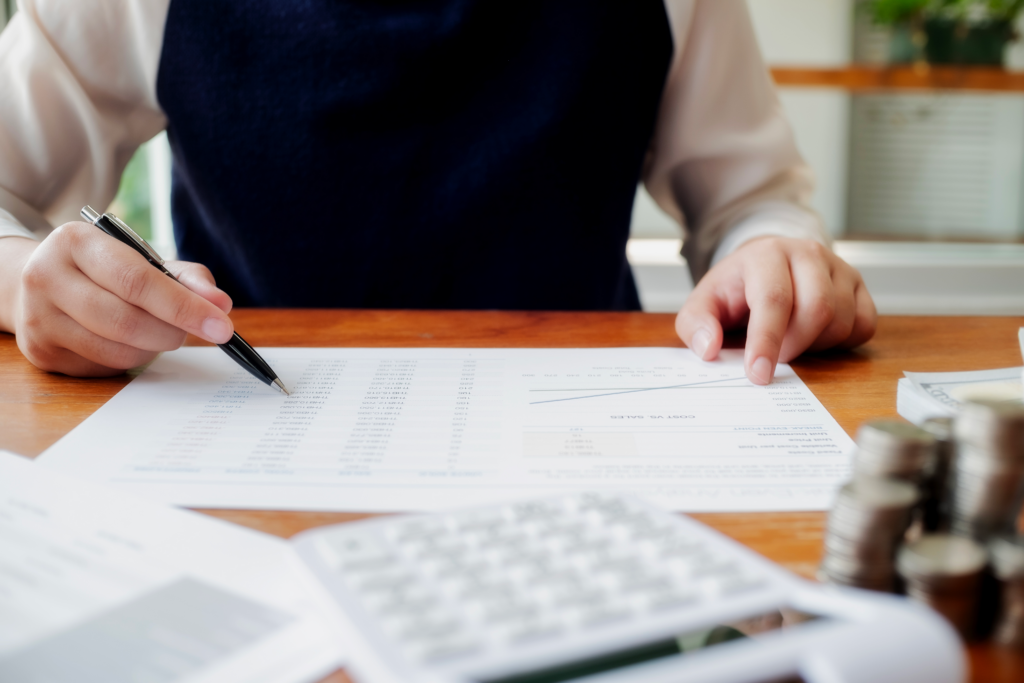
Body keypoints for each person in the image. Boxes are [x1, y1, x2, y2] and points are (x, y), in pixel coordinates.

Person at [0, 0, 875, 386]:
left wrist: (771, 255)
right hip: (248, 448)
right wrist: (27, 284)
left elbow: (752, 201)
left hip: (584, 467)